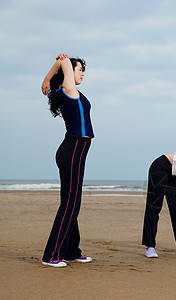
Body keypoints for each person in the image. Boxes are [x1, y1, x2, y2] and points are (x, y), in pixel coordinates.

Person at [40, 53, 94, 267]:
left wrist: (51, 77)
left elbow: (63, 62)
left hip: (74, 150)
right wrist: (47, 78)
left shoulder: (70, 92)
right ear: (68, 73)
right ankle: (51, 255)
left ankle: (71, 250)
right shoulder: (67, 90)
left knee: (71, 202)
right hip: (73, 150)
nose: (82, 74)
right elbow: (63, 59)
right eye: (79, 69)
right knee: (71, 204)